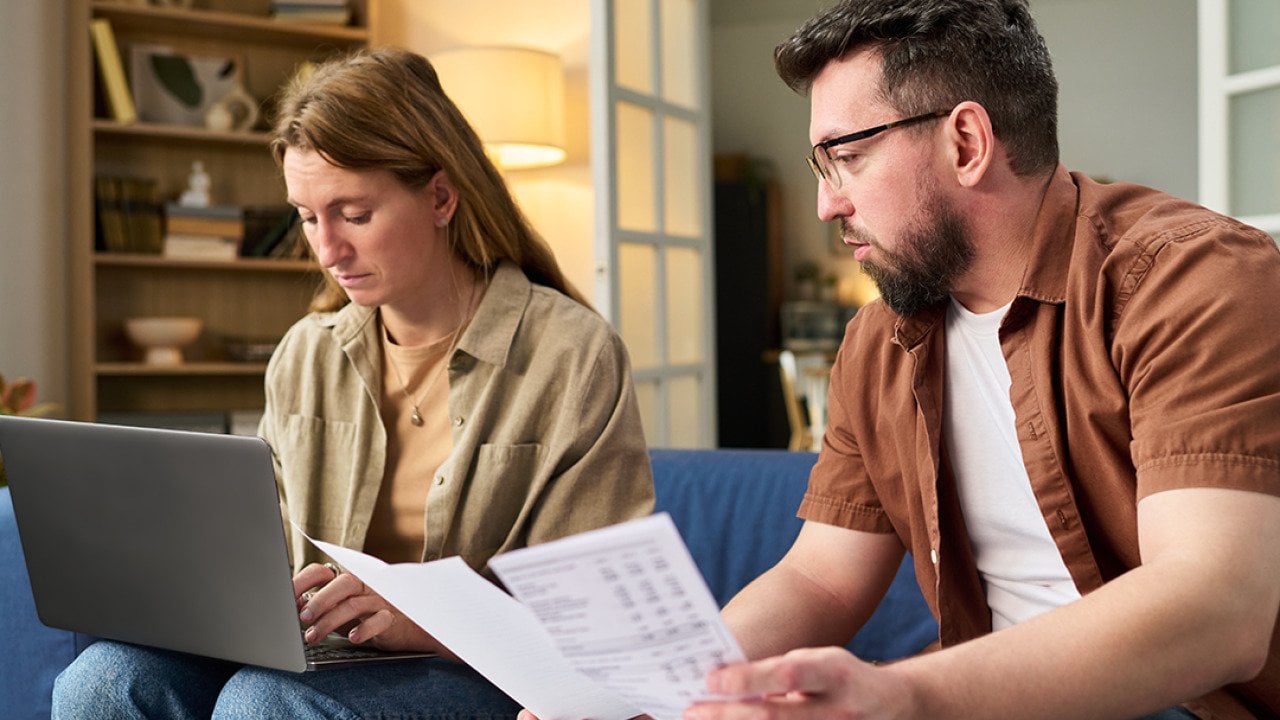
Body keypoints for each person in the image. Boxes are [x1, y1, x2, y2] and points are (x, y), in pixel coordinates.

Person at [515, 2, 1280, 719]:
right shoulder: (878, 341)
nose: (827, 204)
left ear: (966, 143)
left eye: (847, 157)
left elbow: (1217, 608)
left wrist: (907, 696)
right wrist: (658, 690)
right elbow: (820, 576)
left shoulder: (1192, 279)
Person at [54, 47, 654, 720]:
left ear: (440, 196)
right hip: (319, 654)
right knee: (99, 683)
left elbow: (601, 616)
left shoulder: (572, 354)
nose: (327, 249)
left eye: (354, 215)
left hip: (474, 671)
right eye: (308, 217)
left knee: (264, 706)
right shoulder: (306, 354)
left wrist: (427, 619)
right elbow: (266, 551)